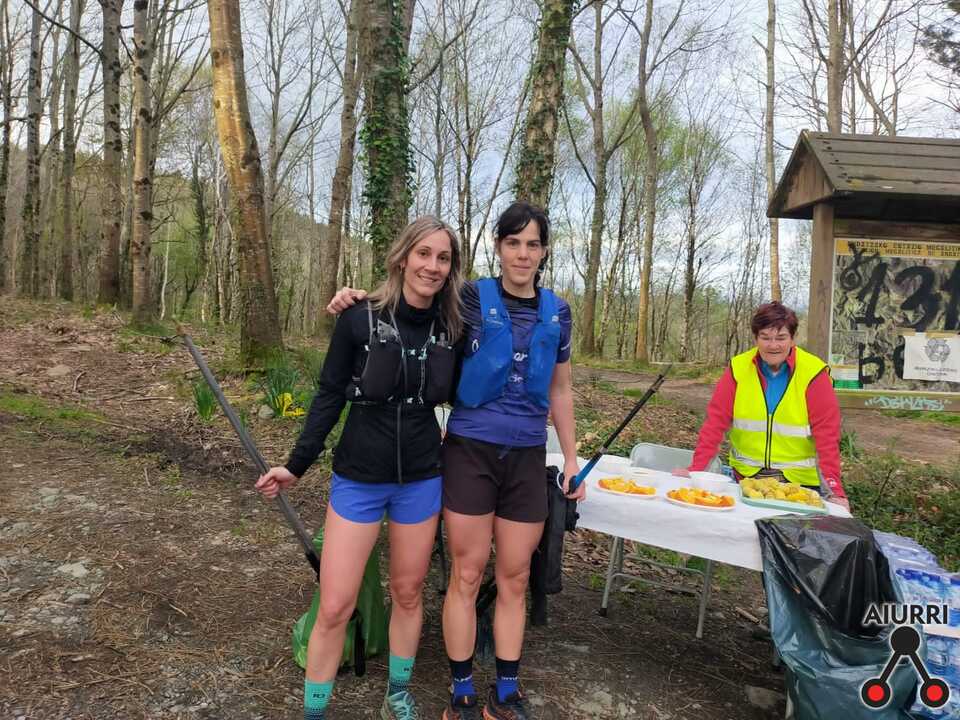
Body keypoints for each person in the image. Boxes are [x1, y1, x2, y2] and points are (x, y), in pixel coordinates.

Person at [328, 201, 585, 720]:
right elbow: (412, 304)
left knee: (515, 576)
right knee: (467, 574)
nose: (523, 254)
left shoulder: (558, 312)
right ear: (499, 247)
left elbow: (560, 390)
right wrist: (357, 299)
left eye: (533, 244)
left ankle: (505, 691)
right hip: (471, 451)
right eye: (513, 243)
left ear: (544, 252)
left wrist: (572, 459)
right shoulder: (469, 299)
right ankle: (461, 690)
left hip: (527, 457)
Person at [256, 216, 464, 720]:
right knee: (334, 604)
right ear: (402, 257)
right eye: (423, 254)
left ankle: (398, 694)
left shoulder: (455, 326)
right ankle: (314, 711)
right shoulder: (358, 318)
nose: (432, 266)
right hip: (359, 479)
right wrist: (296, 465)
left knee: (408, 593)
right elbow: (329, 394)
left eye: (443, 258)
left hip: (421, 479)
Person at [674, 301, 849, 510]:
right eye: (765, 337)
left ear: (792, 339)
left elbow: (827, 435)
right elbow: (715, 424)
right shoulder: (738, 368)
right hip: (744, 481)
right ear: (756, 338)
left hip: (800, 487)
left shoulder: (814, 373)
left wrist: (834, 492)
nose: (773, 345)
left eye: (781, 338)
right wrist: (696, 470)